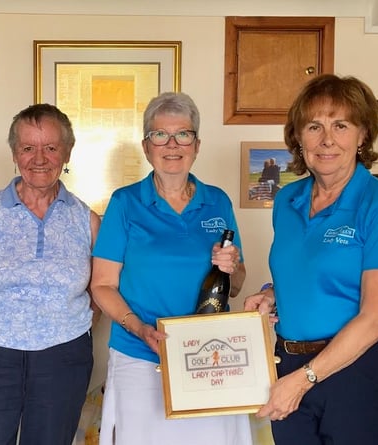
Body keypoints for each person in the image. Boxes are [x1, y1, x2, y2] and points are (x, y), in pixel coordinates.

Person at [244, 74, 378, 444]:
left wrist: (303, 379)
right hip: (288, 361)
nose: (327, 140)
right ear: (298, 137)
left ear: (362, 135)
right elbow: (310, 270)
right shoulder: (287, 201)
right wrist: (274, 294)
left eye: (340, 125)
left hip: (359, 369)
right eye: (314, 126)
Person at [90, 92, 252, 445]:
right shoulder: (125, 202)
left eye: (183, 134)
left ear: (197, 145)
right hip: (142, 356)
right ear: (147, 147)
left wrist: (234, 265)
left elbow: (235, 284)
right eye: (160, 135)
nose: (172, 144)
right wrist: (140, 329)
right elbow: (102, 285)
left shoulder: (218, 201)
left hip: (211, 355)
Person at [0, 103, 101, 445]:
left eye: (51, 147)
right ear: (14, 153)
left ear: (67, 152)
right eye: (28, 147)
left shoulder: (87, 220)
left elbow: (98, 294)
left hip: (63, 356)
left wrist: (63, 328)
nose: (40, 158)